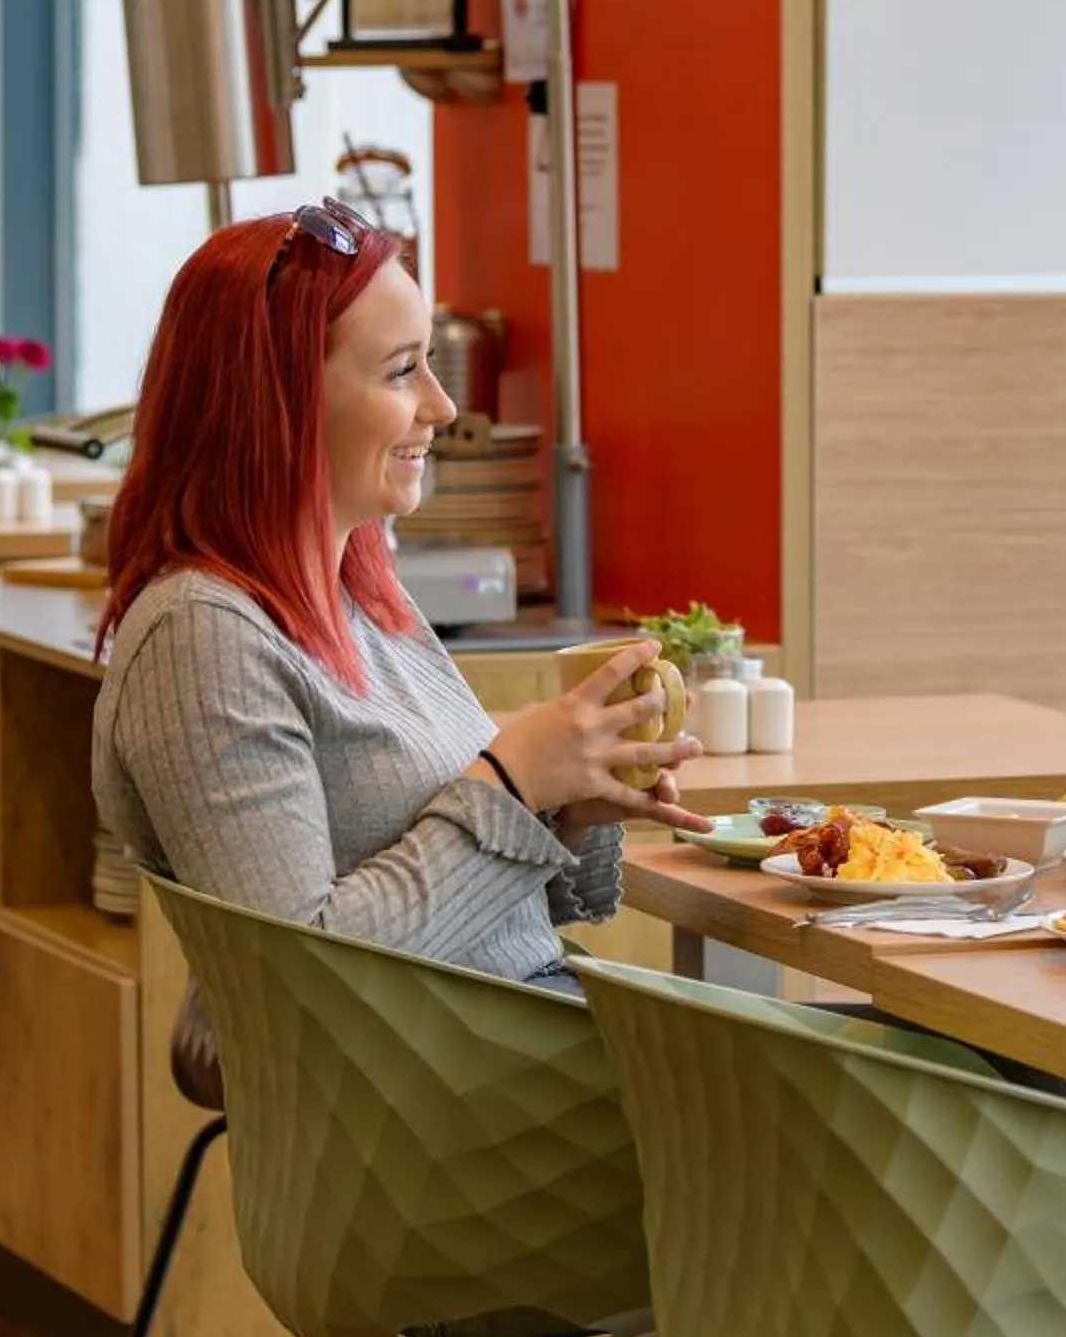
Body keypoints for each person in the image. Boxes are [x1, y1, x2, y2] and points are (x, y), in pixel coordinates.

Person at [93, 201, 705, 1099]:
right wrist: (509, 787)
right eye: (401, 370)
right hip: (460, 1115)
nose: (443, 407)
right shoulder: (202, 639)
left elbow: (487, 909)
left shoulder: (362, 598)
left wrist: (567, 802)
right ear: (278, 399)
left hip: (516, 1063)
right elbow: (299, 984)